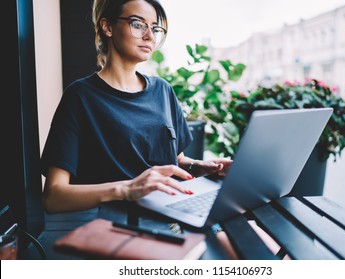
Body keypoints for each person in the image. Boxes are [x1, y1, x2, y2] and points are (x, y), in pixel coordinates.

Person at [40, 0, 232, 214]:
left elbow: (178, 160)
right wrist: (127, 188)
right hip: (120, 228)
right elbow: (53, 197)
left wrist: (198, 167)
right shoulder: (80, 97)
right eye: (138, 24)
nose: (149, 36)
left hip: (176, 213)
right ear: (107, 27)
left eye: (154, 28)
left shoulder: (163, 90)